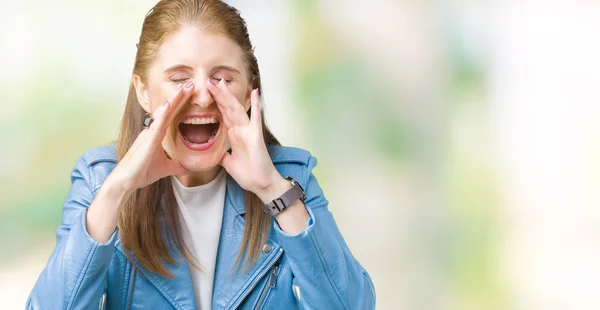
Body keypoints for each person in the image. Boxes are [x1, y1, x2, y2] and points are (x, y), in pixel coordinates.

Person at [27, 0, 375, 309]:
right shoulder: (99, 181)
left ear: (248, 92)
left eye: (222, 78)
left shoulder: (289, 179)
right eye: (179, 78)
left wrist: (272, 189)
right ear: (143, 92)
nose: (204, 97)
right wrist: (117, 192)